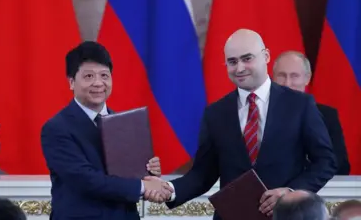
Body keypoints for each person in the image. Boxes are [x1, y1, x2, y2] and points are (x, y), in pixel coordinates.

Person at [144, 29, 337, 219]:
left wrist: (290, 191)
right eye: (232, 61)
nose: (240, 68)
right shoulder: (216, 113)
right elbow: (202, 174)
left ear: (266, 56)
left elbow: (325, 161)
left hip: (284, 216)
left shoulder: (300, 105)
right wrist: (169, 190)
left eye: (247, 59)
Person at [41, 41, 170, 220]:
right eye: (88, 76)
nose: (98, 83)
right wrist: (142, 186)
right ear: (71, 82)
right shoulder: (56, 128)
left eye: (104, 75)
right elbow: (87, 180)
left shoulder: (125, 124)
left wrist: (149, 172)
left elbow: (128, 173)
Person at [272, 51, 350, 175]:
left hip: (316, 189)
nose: (287, 83)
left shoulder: (327, 116)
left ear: (307, 78)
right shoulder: (261, 113)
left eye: (294, 76)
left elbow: (341, 165)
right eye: (281, 76)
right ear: (273, 79)